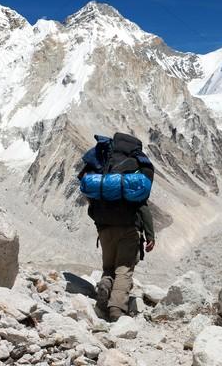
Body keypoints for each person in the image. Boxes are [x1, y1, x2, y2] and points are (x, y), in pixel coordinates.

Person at [77, 132, 156, 321]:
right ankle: (116, 310)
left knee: (109, 267)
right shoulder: (134, 169)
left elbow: (92, 201)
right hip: (129, 229)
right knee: (124, 269)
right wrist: (150, 234)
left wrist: (99, 222)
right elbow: (142, 205)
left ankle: (104, 286)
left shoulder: (104, 167)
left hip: (105, 229)